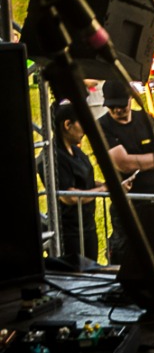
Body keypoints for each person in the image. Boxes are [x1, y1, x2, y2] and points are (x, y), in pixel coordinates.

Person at [100, 80, 154, 263]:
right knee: (127, 255)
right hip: (127, 202)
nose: (117, 110)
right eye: (112, 106)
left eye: (121, 105)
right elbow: (123, 163)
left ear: (131, 99)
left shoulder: (146, 119)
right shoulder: (103, 125)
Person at [40, 101, 102, 266]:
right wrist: (104, 189)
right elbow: (69, 196)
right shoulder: (53, 157)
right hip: (70, 233)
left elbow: (85, 182)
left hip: (88, 227)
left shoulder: (77, 152)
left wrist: (108, 185)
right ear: (67, 125)